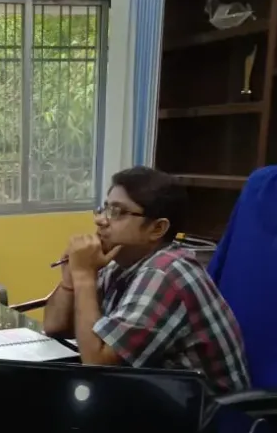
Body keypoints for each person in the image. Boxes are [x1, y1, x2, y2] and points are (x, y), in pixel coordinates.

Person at [43, 166, 250, 394]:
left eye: (118, 212)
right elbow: (54, 327)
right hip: (157, 397)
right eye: (105, 208)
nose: (101, 220)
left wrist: (84, 276)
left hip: (206, 411)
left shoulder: (165, 274)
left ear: (157, 228)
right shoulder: (120, 263)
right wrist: (70, 278)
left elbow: (97, 367)